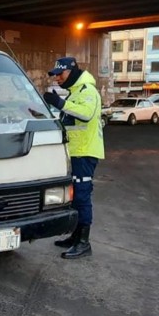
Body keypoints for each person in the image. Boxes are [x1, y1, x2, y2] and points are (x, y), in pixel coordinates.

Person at [43, 57, 105, 259]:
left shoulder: (88, 90)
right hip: (74, 153)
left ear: (71, 71)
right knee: (74, 196)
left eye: (60, 74)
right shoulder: (75, 92)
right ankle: (76, 236)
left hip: (85, 153)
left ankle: (84, 243)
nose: (57, 78)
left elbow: (86, 115)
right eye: (55, 75)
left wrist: (59, 103)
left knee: (82, 196)